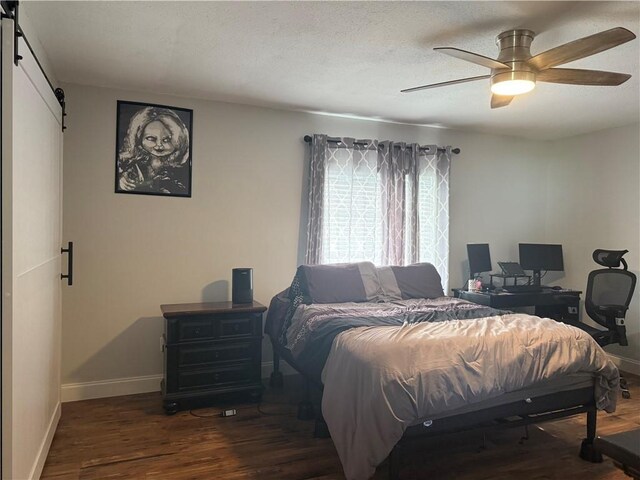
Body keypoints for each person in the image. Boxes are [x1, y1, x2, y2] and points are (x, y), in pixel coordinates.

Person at [117, 106, 190, 195]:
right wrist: (121, 181)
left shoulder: (182, 170)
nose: (159, 145)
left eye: (166, 140)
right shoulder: (130, 164)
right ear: (139, 139)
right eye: (151, 138)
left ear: (178, 141)